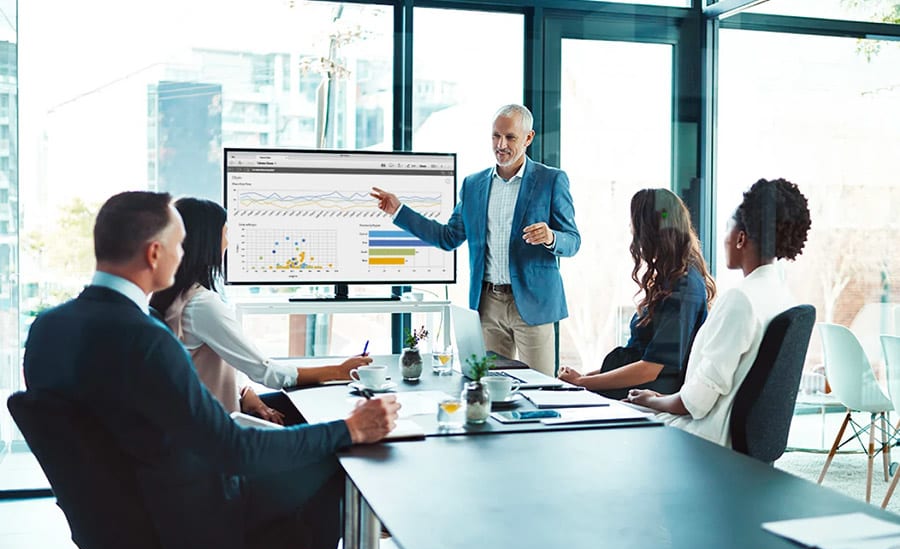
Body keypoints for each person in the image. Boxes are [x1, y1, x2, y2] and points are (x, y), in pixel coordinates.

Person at [22, 191, 400, 549]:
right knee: (333, 456)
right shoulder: (148, 339)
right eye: (179, 245)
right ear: (154, 253)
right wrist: (349, 427)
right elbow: (233, 450)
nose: (183, 254)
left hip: (113, 521)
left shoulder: (46, 329)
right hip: (188, 516)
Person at [371, 104, 580, 376]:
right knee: (489, 387)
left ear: (528, 138)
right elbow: (448, 237)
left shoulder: (551, 180)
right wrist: (399, 211)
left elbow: (572, 241)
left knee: (539, 388)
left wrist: (551, 237)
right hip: (487, 304)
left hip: (533, 304)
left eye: (510, 137)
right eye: (495, 136)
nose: (501, 144)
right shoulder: (473, 185)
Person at [150, 197, 371, 425]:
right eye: (225, 234)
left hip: (198, 419)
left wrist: (245, 392)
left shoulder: (172, 297)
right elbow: (268, 373)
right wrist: (338, 371)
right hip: (218, 431)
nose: (228, 243)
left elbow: (207, 366)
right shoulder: (202, 305)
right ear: (208, 241)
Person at [625, 178, 812, 446]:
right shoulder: (783, 296)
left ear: (740, 238)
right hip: (734, 438)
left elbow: (695, 403)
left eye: (727, 229)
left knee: (611, 417)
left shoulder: (741, 299)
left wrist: (653, 400)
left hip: (705, 437)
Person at [557, 188, 716, 400]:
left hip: (644, 395)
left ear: (650, 232)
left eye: (636, 225)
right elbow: (639, 357)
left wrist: (582, 383)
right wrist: (583, 378)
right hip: (634, 389)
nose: (632, 231)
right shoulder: (670, 279)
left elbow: (649, 369)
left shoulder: (683, 287)